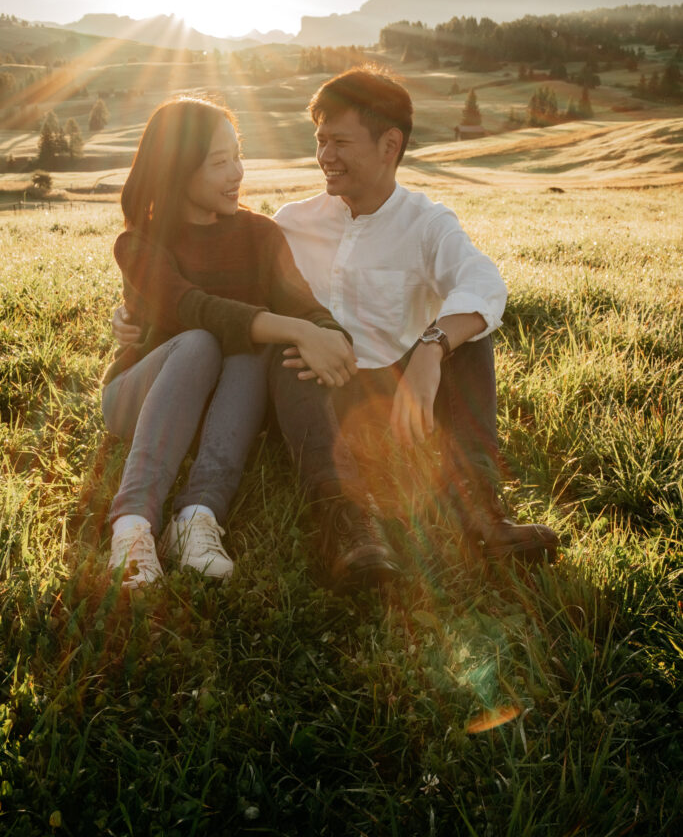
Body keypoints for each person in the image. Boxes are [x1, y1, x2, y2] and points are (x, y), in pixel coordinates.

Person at [103, 96, 398, 589]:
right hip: (139, 398)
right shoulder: (137, 243)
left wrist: (326, 335)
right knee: (201, 340)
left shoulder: (260, 234)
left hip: (223, 407)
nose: (237, 172)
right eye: (220, 162)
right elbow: (196, 308)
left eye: (238, 155)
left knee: (252, 347)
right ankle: (132, 525)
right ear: (177, 170)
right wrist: (295, 329)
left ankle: (197, 516)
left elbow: (305, 308)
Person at [273, 66, 558, 564]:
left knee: (467, 333)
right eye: (320, 140)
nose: (325, 157)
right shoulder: (291, 222)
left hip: (398, 386)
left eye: (340, 141)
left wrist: (431, 349)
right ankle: (347, 523)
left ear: (390, 145)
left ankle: (482, 515)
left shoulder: (427, 222)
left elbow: (483, 283)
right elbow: (226, 286)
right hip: (314, 394)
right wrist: (139, 317)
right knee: (288, 349)